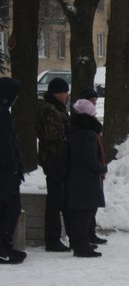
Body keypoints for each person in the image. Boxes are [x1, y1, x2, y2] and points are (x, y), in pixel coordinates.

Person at [67, 99, 107, 258]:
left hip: (75, 176)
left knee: (79, 213)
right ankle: (82, 246)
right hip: (86, 178)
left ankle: (78, 243)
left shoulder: (73, 130)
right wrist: (101, 168)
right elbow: (90, 158)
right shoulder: (89, 134)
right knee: (86, 212)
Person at [36, 77, 71, 252]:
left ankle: (57, 238)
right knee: (54, 202)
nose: (67, 95)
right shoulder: (49, 110)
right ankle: (52, 240)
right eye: (65, 92)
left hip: (58, 159)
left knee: (59, 200)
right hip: (54, 159)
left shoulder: (57, 108)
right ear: (58, 93)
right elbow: (53, 135)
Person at [76, 88, 108, 246]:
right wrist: (100, 168)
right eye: (91, 101)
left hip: (88, 172)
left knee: (90, 206)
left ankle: (89, 234)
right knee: (87, 208)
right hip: (87, 174)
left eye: (95, 101)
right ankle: (84, 239)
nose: (94, 104)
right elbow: (89, 155)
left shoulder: (89, 126)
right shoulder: (87, 129)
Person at [0, 77, 26, 264]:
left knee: (8, 209)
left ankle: (4, 246)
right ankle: (3, 248)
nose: (17, 98)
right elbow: (5, 146)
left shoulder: (4, 113)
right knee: (10, 209)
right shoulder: (2, 115)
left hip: (6, 172)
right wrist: (14, 168)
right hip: (6, 173)